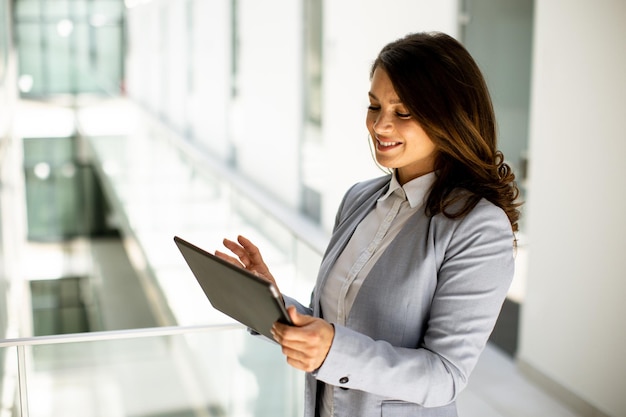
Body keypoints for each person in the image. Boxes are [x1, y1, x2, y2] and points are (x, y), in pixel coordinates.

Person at [216, 31, 521, 417]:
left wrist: (333, 350)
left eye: (403, 112)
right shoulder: (359, 198)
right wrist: (269, 299)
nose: (380, 125)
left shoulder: (478, 228)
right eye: (374, 106)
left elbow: (444, 375)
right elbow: (329, 325)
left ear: (448, 118)